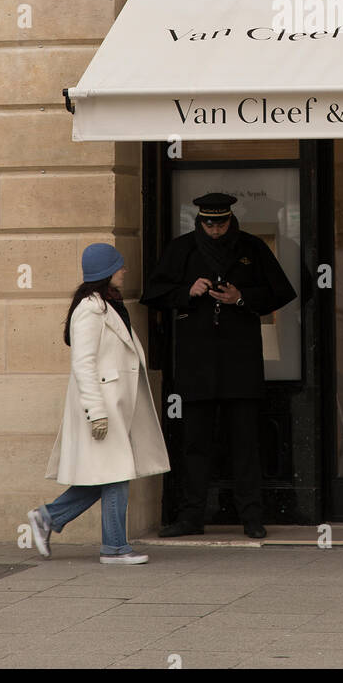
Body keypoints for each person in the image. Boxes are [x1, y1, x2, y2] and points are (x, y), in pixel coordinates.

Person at [142, 193, 297, 539]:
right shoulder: (182, 249)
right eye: (208, 223)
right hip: (197, 363)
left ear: (230, 219)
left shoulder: (252, 248)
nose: (214, 230)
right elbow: (152, 293)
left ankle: (252, 517)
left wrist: (240, 298)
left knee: (245, 443)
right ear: (199, 221)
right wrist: (186, 291)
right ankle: (191, 517)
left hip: (240, 362)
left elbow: (282, 292)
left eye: (221, 223)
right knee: (195, 444)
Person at [27, 243, 170, 564]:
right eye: (119, 266)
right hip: (103, 406)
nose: (125, 270)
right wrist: (96, 412)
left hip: (115, 405)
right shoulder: (90, 310)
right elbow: (84, 364)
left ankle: (48, 517)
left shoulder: (109, 305)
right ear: (106, 271)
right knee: (115, 474)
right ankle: (114, 547)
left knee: (111, 475)